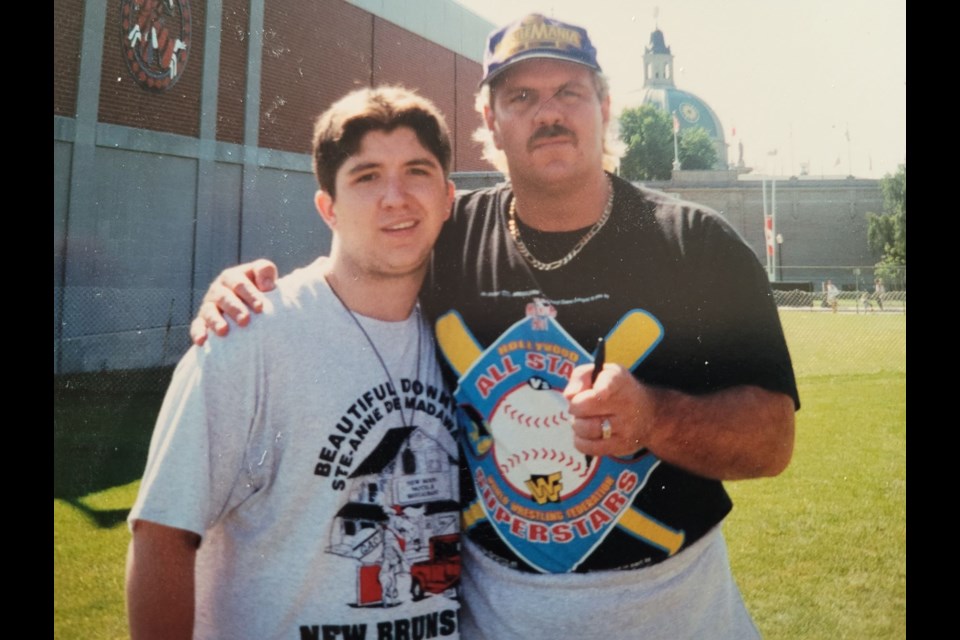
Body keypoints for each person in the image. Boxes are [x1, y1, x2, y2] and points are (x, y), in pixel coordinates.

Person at [191, 14, 799, 639]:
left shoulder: (695, 245)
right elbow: (358, 269)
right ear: (490, 122)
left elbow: (773, 441)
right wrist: (255, 291)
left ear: (604, 107)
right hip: (498, 618)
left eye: (570, 92)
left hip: (679, 612)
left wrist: (654, 418)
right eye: (522, 98)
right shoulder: (448, 242)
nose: (550, 113)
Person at [125, 86, 463, 640]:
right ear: (327, 206)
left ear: (448, 198)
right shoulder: (250, 333)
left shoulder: (466, 332)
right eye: (367, 176)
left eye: (417, 171)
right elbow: (162, 533)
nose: (396, 197)